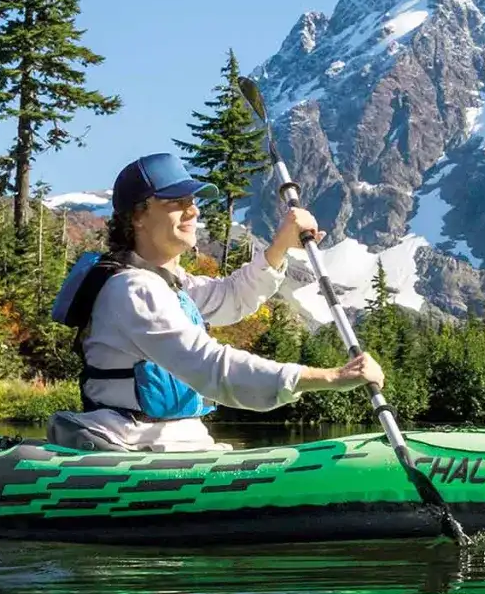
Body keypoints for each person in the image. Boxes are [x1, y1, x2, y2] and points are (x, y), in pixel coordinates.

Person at [48, 152, 384, 453]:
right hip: (130, 441)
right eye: (174, 201)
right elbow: (210, 366)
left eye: (192, 200)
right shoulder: (133, 289)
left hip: (173, 442)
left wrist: (281, 246)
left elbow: (233, 296)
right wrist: (328, 378)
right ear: (137, 216)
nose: (192, 209)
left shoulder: (171, 286)